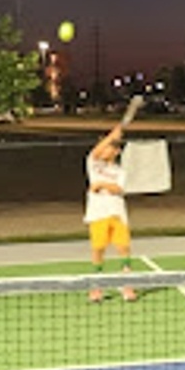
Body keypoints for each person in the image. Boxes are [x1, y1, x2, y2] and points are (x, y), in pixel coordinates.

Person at [84, 121, 137, 303]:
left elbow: (117, 189)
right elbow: (97, 150)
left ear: (117, 152)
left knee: (124, 249)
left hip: (117, 214)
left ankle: (127, 285)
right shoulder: (93, 164)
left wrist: (101, 184)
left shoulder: (120, 171)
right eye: (105, 147)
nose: (106, 151)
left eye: (111, 148)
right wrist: (114, 134)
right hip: (98, 215)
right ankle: (96, 287)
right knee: (98, 249)